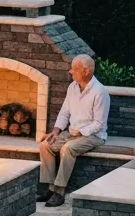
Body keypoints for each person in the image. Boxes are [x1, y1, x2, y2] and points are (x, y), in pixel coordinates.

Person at [38, 54, 110, 207]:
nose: (71, 72)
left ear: (86, 71)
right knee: (45, 145)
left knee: (68, 148)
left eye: (74, 69)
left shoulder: (100, 92)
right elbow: (65, 111)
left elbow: (99, 123)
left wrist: (80, 131)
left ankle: (59, 191)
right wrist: (56, 131)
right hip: (72, 133)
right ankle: (50, 188)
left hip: (94, 135)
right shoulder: (72, 87)